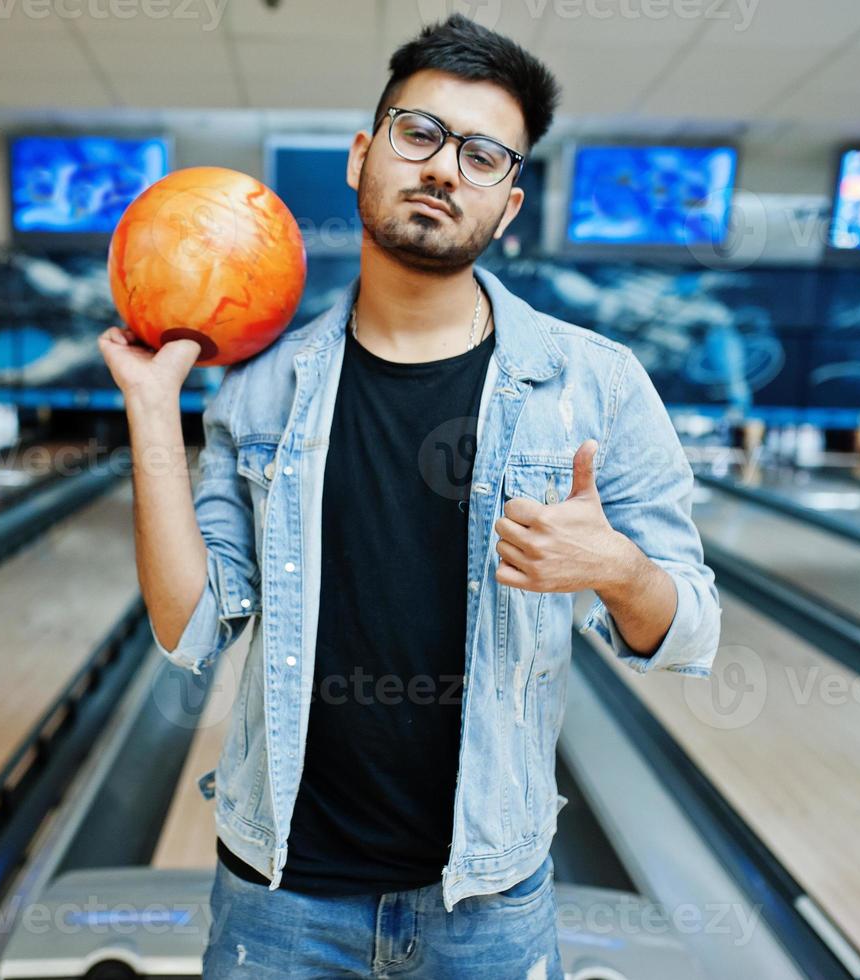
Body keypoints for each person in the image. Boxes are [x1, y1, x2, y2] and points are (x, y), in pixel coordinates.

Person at [98, 13, 721, 978]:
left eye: (482, 157)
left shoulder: (594, 386)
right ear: (363, 155)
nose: (442, 169)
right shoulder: (261, 393)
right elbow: (190, 630)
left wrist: (619, 570)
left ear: (507, 207)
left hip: (489, 904)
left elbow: (689, 628)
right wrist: (150, 412)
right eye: (418, 134)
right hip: (282, 901)